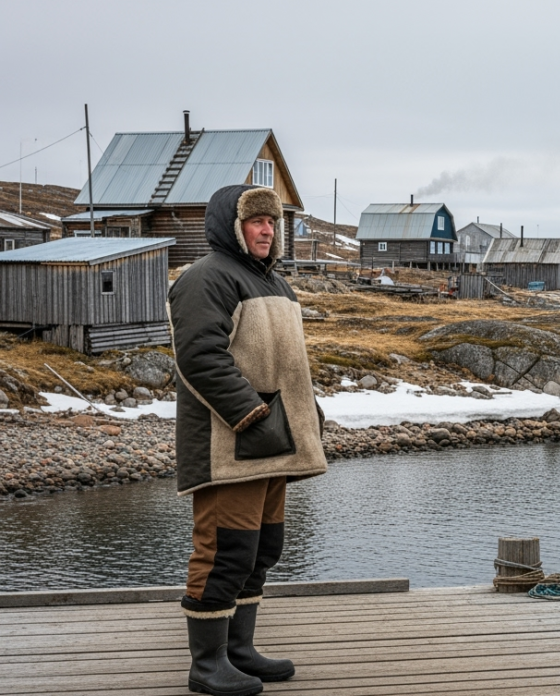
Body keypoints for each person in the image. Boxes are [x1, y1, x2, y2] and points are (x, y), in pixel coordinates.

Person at [168, 184, 328, 696]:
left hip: (273, 440)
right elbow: (200, 358)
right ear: (231, 227)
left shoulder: (278, 284)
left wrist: (310, 416)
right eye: (256, 221)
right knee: (225, 552)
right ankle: (207, 664)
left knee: (262, 550)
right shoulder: (205, 278)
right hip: (230, 443)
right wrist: (250, 414)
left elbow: (288, 365)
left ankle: (239, 651)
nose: (267, 230)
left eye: (273, 222)